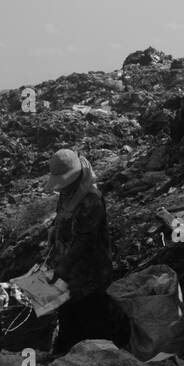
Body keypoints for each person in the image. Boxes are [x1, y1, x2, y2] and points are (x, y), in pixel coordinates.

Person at [44, 148, 121, 354]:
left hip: (90, 272)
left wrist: (63, 266)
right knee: (68, 316)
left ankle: (98, 356)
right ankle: (67, 352)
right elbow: (63, 216)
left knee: (90, 318)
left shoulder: (90, 200)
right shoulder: (69, 193)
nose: (61, 190)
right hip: (69, 270)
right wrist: (54, 232)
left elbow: (84, 240)